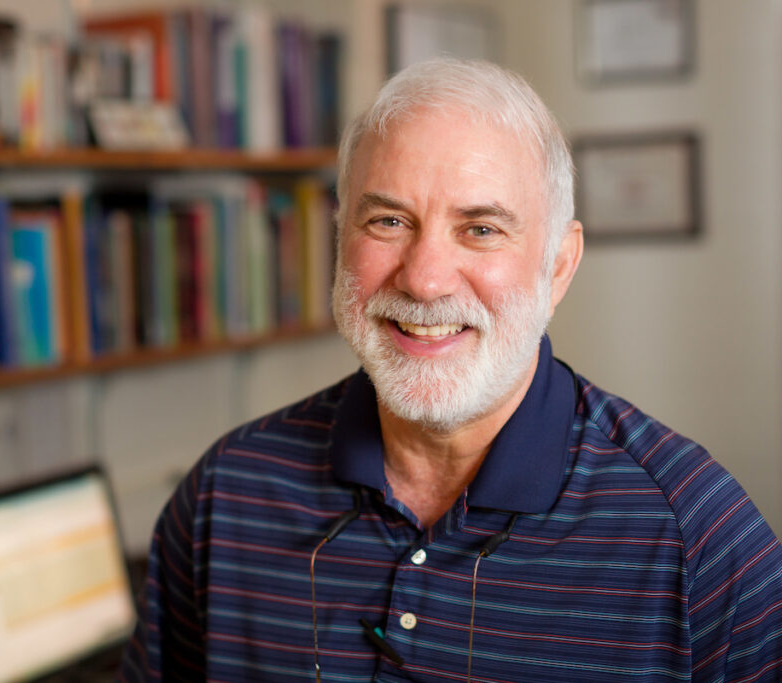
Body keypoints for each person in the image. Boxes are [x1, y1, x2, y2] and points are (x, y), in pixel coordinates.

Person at [117, 58, 782, 682]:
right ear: (340, 236)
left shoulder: (701, 539)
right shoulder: (223, 497)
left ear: (558, 266)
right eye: (388, 220)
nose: (426, 278)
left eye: (481, 229)